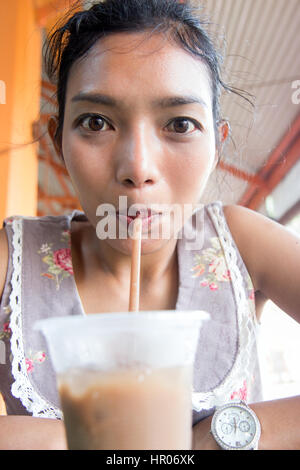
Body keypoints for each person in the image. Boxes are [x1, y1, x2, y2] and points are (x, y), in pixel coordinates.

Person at [0, 0, 299, 450]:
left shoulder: (240, 243)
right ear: (60, 142)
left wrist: (220, 439)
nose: (137, 167)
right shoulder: (12, 261)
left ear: (216, 146)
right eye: (96, 122)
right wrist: (66, 440)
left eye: (179, 123)